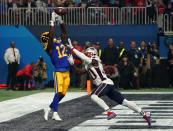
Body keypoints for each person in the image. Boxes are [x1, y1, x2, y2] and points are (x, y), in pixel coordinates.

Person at [67, 40, 152, 128]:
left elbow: (83, 57)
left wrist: (72, 49)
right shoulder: (88, 63)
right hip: (106, 85)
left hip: (105, 83)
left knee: (93, 96)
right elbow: (80, 72)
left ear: (92, 54)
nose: (86, 54)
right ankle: (144, 114)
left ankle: (109, 112)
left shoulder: (95, 60)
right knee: (124, 102)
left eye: (88, 53)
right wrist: (72, 64)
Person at [40, 11, 74, 121]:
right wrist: (52, 21)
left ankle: (49, 108)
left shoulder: (60, 42)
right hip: (58, 71)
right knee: (58, 92)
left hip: (66, 71)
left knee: (62, 94)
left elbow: (64, 32)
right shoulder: (49, 48)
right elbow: (52, 34)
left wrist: (60, 20)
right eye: (50, 36)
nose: (53, 36)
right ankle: (55, 113)